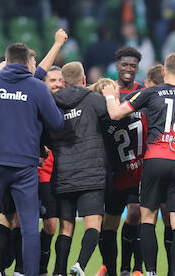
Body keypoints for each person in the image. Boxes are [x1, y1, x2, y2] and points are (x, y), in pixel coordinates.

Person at [0, 43, 64, 276]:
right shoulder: (37, 88)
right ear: (27, 62)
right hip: (24, 165)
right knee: (30, 224)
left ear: (7, 60)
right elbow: (57, 123)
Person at [103, 53, 175, 276]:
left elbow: (116, 113)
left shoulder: (151, 92)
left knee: (148, 218)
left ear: (163, 72)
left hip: (154, 160)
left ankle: (152, 272)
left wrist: (108, 96)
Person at [45, 62, 111, 276]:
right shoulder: (94, 100)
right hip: (91, 173)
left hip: (63, 174)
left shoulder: (51, 103)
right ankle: (80, 265)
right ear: (84, 80)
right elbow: (114, 118)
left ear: (62, 82)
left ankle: (59, 271)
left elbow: (43, 134)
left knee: (66, 228)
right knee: (93, 224)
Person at [91, 78, 146, 276]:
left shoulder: (128, 109)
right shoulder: (105, 117)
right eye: (113, 92)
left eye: (116, 91)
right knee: (108, 224)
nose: (117, 94)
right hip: (115, 176)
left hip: (135, 172)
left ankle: (133, 268)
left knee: (135, 215)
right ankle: (110, 268)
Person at [38, 65, 64, 276]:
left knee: (52, 226)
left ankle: (44, 269)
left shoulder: (68, 104)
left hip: (62, 173)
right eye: (52, 80)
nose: (57, 84)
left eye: (60, 80)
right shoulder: (36, 104)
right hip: (40, 173)